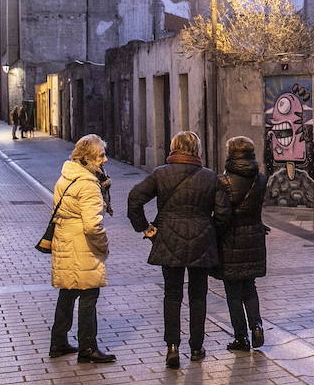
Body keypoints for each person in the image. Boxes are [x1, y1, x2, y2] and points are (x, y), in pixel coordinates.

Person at [127, 131, 229, 368]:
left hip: (169, 238)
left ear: (173, 148)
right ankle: (196, 347)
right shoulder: (209, 177)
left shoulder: (161, 174)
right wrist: (210, 231)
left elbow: (134, 199)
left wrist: (147, 229)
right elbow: (223, 213)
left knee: (172, 294)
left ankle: (172, 347)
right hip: (201, 241)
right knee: (198, 295)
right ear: (197, 150)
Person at [49, 134, 116, 364]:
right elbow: (92, 225)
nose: (104, 160)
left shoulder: (65, 177)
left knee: (67, 292)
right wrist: (103, 245)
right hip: (82, 245)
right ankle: (88, 346)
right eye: (101, 156)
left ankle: (58, 342)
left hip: (65, 240)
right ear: (87, 158)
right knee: (89, 294)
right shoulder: (88, 185)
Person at [216, 136, 269, 351]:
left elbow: (221, 215)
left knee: (233, 292)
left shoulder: (223, 181)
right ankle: (256, 326)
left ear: (230, 153)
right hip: (254, 236)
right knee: (250, 287)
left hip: (231, 239)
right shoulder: (261, 179)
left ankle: (241, 338)